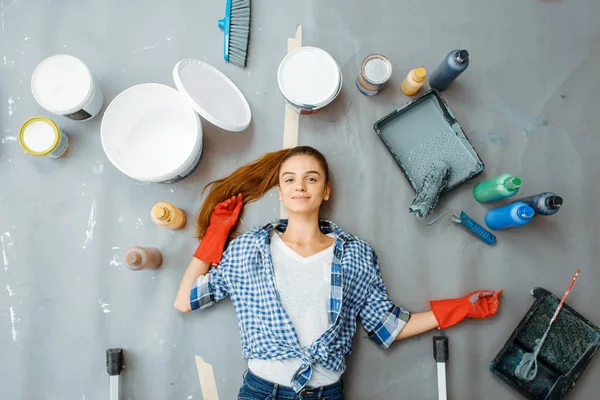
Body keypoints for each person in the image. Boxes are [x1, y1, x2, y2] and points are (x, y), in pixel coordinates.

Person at [174, 146, 502, 400]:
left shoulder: (356, 253)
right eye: (289, 179)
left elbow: (387, 326)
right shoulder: (249, 249)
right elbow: (186, 301)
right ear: (280, 191)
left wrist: (463, 307)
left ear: (326, 191)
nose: (300, 186)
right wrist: (216, 235)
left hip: (325, 393)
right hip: (263, 391)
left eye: (311, 178)